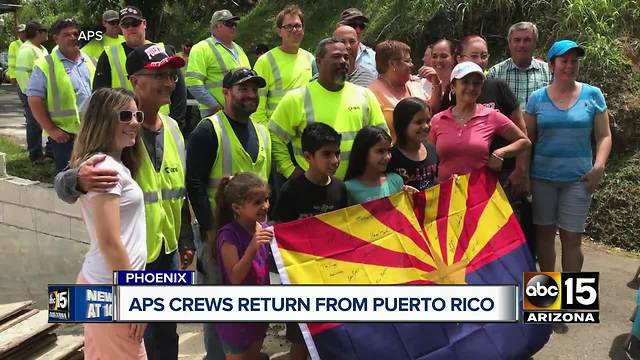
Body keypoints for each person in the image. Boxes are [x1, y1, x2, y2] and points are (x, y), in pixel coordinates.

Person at [54, 43, 195, 360]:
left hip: (166, 251)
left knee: (164, 331)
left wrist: (186, 238)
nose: (170, 82)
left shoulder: (172, 128)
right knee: (133, 339)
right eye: (160, 75)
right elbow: (72, 178)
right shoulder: (113, 145)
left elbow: (177, 190)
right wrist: (75, 180)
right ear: (136, 81)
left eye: (172, 75)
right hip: (126, 266)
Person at [186, 68, 270, 360]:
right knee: (219, 306)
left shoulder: (262, 131)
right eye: (242, 89)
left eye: (254, 89)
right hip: (220, 234)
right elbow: (194, 182)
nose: (249, 95)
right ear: (225, 93)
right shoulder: (209, 130)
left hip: (254, 234)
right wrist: (210, 229)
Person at [71, 87, 147, 359]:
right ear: (104, 120)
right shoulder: (104, 169)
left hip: (105, 284)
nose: (135, 121)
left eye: (137, 114)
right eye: (125, 115)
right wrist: (133, 297)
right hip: (111, 290)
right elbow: (109, 241)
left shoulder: (111, 164)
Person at [524, 40, 612, 273]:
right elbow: (528, 141)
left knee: (572, 238)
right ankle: (547, 298)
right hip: (542, 179)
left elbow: (604, 136)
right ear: (552, 65)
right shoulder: (537, 98)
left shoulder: (593, 94)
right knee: (544, 236)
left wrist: (599, 167)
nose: (569, 66)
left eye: (574, 61)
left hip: (579, 180)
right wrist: (524, 174)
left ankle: (570, 302)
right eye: (564, 61)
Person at [272, 122, 347, 360]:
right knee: (301, 338)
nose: (334, 160)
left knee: (331, 336)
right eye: (326, 154)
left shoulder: (340, 189)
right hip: (300, 281)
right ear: (307, 157)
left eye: (337, 153)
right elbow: (280, 236)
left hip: (332, 277)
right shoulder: (291, 190)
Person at [269, 37, 387, 181]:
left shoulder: (364, 95)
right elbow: (275, 137)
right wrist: (290, 171)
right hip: (315, 190)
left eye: (346, 57)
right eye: (336, 57)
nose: (343, 61)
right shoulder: (297, 98)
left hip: (357, 187)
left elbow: (382, 138)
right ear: (318, 61)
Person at [428, 62, 530, 183]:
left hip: (479, 193)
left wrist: (500, 153)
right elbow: (429, 156)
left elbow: (524, 141)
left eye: (476, 83)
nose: (471, 88)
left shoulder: (491, 116)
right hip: (445, 193)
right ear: (453, 87)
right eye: (465, 82)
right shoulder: (438, 120)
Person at [93, 5, 187, 126]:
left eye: (135, 23)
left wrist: (176, 123)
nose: (131, 28)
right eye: (126, 25)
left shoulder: (164, 51)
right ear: (121, 28)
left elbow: (179, 92)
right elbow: (99, 96)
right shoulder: (109, 55)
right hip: (124, 125)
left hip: (162, 123)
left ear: (144, 23)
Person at [213, 172, 271, 360]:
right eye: (257, 203)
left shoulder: (261, 227)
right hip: (236, 319)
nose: (265, 206)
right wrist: (252, 247)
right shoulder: (228, 236)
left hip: (258, 313)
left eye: (266, 200)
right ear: (237, 208)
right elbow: (235, 277)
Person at [28, 18, 95, 172]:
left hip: (93, 133)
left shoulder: (90, 60)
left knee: (95, 180)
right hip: (66, 137)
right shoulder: (45, 64)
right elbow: (34, 99)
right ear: (56, 38)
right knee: (70, 182)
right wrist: (50, 129)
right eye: (67, 35)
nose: (73, 38)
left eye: (75, 34)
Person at [251, 5, 315, 127]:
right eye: (289, 27)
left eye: (297, 26)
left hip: (304, 133)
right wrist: (268, 136)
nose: (294, 30)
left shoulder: (310, 58)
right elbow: (256, 107)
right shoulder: (265, 61)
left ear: (303, 29)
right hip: (277, 132)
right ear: (279, 31)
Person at [368, 40, 441, 141]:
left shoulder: (414, 84)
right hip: (392, 153)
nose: (412, 65)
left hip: (422, 150)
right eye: (407, 61)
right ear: (393, 64)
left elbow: (433, 110)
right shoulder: (371, 93)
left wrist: (436, 83)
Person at [186, 9, 250, 118]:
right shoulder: (201, 48)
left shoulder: (239, 49)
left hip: (241, 113)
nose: (234, 27)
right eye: (229, 24)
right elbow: (193, 83)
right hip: (215, 115)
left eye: (235, 24)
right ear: (217, 26)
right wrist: (217, 108)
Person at [344, 126, 417, 204]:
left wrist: (415, 198)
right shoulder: (348, 188)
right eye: (380, 151)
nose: (387, 157)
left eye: (389, 151)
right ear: (363, 152)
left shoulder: (396, 181)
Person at [488, 22, 552, 107]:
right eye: (517, 40)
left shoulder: (549, 72)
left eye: (527, 40)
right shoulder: (495, 73)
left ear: (535, 43)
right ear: (509, 43)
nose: (521, 45)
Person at [15, 21, 49, 162]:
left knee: (45, 121)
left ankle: (48, 153)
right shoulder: (27, 50)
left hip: (41, 93)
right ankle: (35, 155)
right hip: (31, 93)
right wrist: (31, 95)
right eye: (44, 30)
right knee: (34, 123)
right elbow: (23, 75)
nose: (47, 33)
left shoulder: (41, 49)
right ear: (37, 33)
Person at [387, 97, 438, 191]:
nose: (426, 126)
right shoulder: (391, 158)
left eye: (427, 121)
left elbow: (435, 182)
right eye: (419, 122)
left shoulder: (432, 150)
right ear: (403, 125)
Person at [338, 8, 377, 75]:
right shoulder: (328, 56)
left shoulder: (372, 56)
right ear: (339, 27)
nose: (358, 30)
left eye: (361, 26)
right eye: (353, 25)